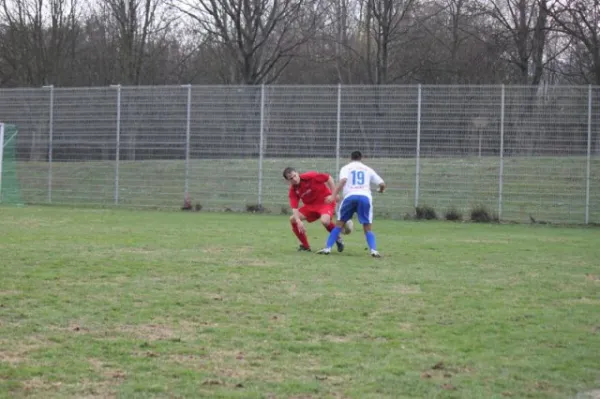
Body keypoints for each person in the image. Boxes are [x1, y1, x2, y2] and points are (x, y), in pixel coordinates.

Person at [316, 151, 386, 257]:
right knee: (367, 227)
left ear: (350, 158)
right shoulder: (368, 169)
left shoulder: (346, 168)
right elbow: (382, 184)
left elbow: (343, 181)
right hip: (365, 197)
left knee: (339, 225)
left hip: (350, 197)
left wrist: (333, 196)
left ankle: (327, 248)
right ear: (362, 158)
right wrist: (380, 190)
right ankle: (374, 251)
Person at [283, 167, 345, 252]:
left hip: (325, 201)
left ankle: (337, 238)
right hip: (310, 207)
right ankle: (306, 246)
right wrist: (298, 221)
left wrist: (334, 195)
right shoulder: (293, 190)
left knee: (325, 221)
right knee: (293, 219)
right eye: (291, 178)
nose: (294, 179)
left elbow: (328, 177)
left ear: (297, 173)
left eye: (294, 176)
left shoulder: (310, 176)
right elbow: (294, 208)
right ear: (288, 180)